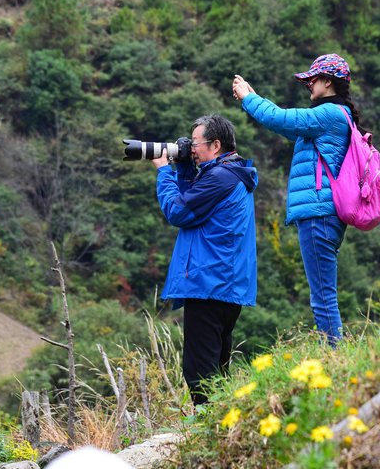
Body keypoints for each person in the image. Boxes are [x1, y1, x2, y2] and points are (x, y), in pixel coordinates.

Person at [232, 53, 360, 345]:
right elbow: (287, 123)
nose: (309, 86)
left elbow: (280, 119)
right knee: (323, 291)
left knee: (322, 295)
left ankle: (333, 354)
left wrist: (249, 99)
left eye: (312, 80)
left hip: (318, 213)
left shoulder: (329, 115)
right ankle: (333, 351)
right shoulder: (335, 117)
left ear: (328, 82)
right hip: (325, 214)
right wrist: (255, 96)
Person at [150, 114, 258, 405]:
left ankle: (207, 427)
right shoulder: (230, 174)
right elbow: (193, 203)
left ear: (216, 145)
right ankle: (221, 426)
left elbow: (178, 211)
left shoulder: (219, 178)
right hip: (225, 284)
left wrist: (164, 172)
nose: (192, 148)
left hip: (209, 282)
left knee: (199, 369)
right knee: (216, 364)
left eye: (196, 144)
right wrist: (185, 168)